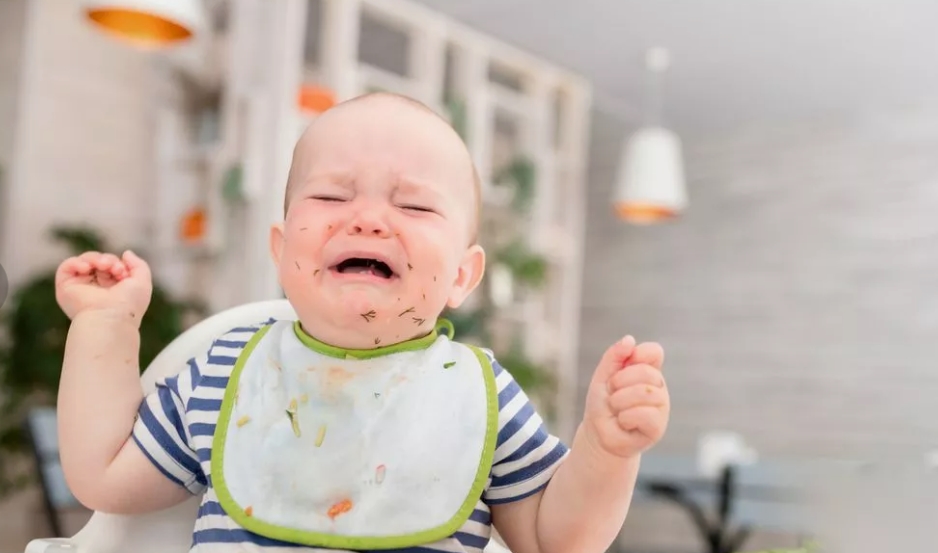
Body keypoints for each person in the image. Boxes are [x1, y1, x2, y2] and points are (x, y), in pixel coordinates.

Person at [53, 92, 670, 553]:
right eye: (331, 196)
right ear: (280, 251)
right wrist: (105, 326)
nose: (368, 219)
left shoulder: (481, 397)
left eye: (414, 204)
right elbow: (104, 479)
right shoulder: (225, 374)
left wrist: (606, 450)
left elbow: (553, 541)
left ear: (462, 275)